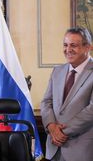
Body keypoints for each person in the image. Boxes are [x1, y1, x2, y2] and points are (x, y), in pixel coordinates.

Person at [40, 27, 93, 161]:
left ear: (88, 47)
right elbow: (46, 102)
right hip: (53, 149)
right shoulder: (57, 71)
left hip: (82, 150)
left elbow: (91, 110)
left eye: (73, 45)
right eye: (65, 45)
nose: (68, 50)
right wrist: (51, 126)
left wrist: (61, 132)